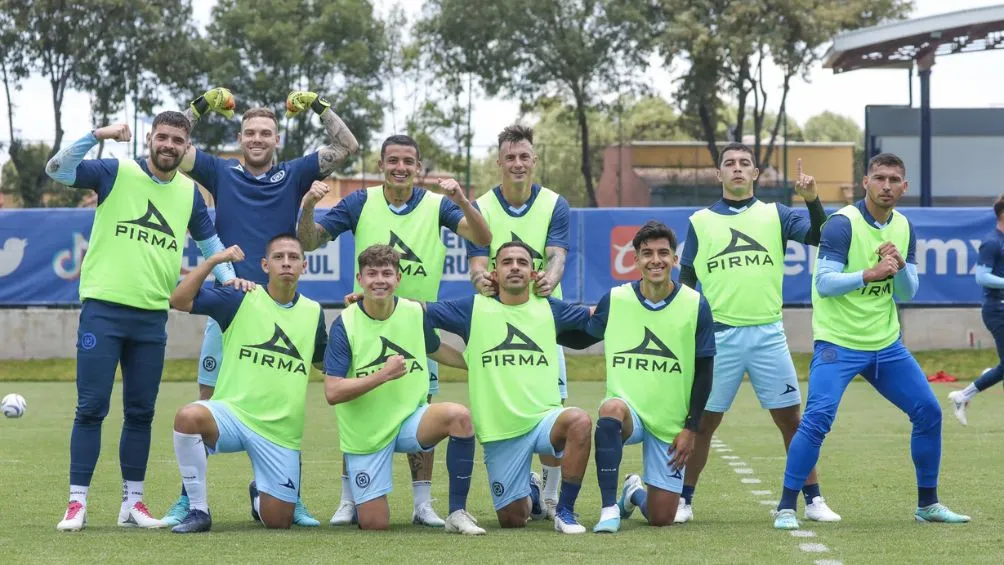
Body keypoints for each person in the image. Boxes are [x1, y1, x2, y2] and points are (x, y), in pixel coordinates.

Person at [162, 87, 358, 527]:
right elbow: (173, 140)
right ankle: (188, 499)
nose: (257, 139)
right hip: (230, 305)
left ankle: (287, 493)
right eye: (250, 132)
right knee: (207, 404)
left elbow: (347, 146)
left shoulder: (294, 173)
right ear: (240, 137)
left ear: (276, 139)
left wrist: (318, 105)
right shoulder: (220, 171)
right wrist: (201, 105)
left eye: (265, 133)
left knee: (285, 401)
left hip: (280, 306)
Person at [44, 114, 242, 531]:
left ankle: (132, 504)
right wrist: (98, 134)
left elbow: (209, 242)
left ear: (186, 147)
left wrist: (230, 279)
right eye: (162, 137)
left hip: (152, 316)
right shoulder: (116, 172)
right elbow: (57, 170)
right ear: (150, 138)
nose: (169, 145)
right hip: (103, 310)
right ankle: (77, 503)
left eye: (178, 140)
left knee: (141, 412)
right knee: (91, 408)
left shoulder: (189, 192)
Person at [298, 134, 491, 527]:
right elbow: (311, 242)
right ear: (381, 165)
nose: (400, 168)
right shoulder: (360, 201)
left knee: (423, 407)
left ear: (418, 167)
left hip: (416, 321)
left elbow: (483, 238)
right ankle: (349, 499)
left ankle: (423, 504)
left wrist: (461, 200)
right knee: (359, 406)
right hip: (366, 319)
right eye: (393, 161)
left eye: (408, 161)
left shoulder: (437, 205)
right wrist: (308, 207)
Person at [773, 153, 970, 529]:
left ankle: (927, 504)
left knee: (929, 412)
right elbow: (824, 283)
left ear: (904, 187)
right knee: (817, 419)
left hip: (886, 345)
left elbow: (908, 292)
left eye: (894, 180)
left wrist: (897, 266)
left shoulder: (905, 226)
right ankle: (785, 507)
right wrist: (870, 273)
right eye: (879, 178)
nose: (886, 186)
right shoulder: (841, 224)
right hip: (838, 343)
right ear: (865, 182)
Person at [678, 143, 839, 524]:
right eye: (729, 163)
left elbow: (821, 236)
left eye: (744, 163)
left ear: (755, 173)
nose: (737, 168)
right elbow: (686, 281)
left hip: (768, 334)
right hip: (719, 338)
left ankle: (813, 499)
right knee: (703, 423)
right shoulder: (700, 221)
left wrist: (812, 199)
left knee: (792, 422)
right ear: (718, 174)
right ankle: (684, 500)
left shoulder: (776, 214)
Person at [425, 241, 593, 534]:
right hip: (501, 432)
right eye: (507, 262)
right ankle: (533, 493)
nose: (515, 267)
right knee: (513, 520)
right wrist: (372, 302)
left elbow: (596, 316)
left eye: (522, 262)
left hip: (544, 419)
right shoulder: (472, 308)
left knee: (579, 420)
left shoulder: (550, 308)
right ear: (493, 273)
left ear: (533, 273)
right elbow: (420, 311)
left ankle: (565, 511)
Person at [168, 234, 328, 533]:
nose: (286, 263)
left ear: (304, 266)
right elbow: (179, 300)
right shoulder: (239, 297)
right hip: (234, 415)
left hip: (279, 431)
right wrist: (214, 261)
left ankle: (259, 494)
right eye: (278, 257)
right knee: (188, 417)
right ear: (265, 265)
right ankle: (198, 509)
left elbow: (324, 362)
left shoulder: (313, 311)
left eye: (293, 257)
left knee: (278, 522)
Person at [323, 244, 485, 534]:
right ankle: (354, 499)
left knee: (459, 416)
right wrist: (383, 375)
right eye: (372, 274)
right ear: (360, 279)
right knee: (375, 524)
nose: (380, 280)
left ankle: (457, 512)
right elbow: (332, 391)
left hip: (411, 420)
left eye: (387, 274)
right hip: (367, 433)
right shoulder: (344, 324)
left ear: (398, 278)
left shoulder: (414, 313)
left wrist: (478, 366)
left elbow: (435, 349)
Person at [467, 124, 572, 518]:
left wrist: (550, 278)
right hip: (498, 320)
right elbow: (478, 264)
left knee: (554, 406)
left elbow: (557, 254)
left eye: (524, 156)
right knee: (505, 404)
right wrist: (482, 280)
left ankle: (551, 494)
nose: (517, 163)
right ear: (498, 162)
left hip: (542, 320)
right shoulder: (481, 206)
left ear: (534, 160)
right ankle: (519, 482)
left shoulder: (555, 203)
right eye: (510, 157)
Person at [583, 221, 715, 532]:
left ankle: (633, 492)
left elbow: (705, 371)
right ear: (635, 260)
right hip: (629, 413)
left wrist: (691, 428)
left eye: (663, 253)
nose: (656, 260)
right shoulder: (615, 299)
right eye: (647, 254)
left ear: (675, 259)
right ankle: (608, 510)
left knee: (661, 517)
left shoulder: (695, 304)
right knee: (611, 409)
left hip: (669, 421)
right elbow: (581, 334)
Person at [948, 194, 1004, 425]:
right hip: (997, 310)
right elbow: (981, 276)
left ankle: (974, 387)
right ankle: (963, 395)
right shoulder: (992, 242)